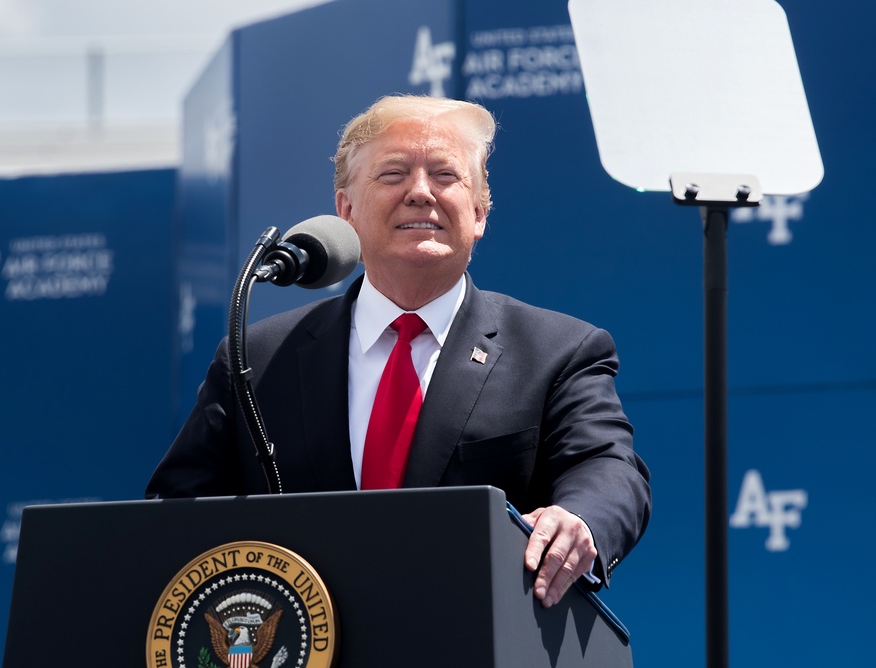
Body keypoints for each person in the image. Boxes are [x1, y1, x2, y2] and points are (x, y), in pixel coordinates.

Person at [146, 94, 651, 608]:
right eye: (392, 175)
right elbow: (176, 512)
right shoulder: (258, 357)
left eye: (445, 176)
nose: (419, 193)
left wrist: (579, 519)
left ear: (478, 213)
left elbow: (608, 469)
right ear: (346, 211)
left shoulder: (557, 351)